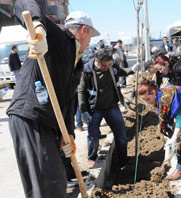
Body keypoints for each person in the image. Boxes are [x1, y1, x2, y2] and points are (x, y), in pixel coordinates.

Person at [7, 0, 100, 197]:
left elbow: (68, 102)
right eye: (91, 35)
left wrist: (69, 135)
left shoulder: (76, 63)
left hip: (46, 120)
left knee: (52, 183)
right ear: (84, 30)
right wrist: (38, 28)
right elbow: (23, 3)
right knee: (49, 185)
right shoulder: (59, 39)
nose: (90, 41)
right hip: (31, 114)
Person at [78, 49, 140, 168]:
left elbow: (122, 72)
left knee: (121, 135)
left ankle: (123, 160)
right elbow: (81, 90)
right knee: (93, 136)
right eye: (103, 65)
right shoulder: (87, 70)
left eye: (108, 64)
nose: (106, 67)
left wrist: (132, 69)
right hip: (94, 108)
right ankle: (92, 158)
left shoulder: (112, 67)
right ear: (96, 60)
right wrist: (83, 111)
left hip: (112, 107)